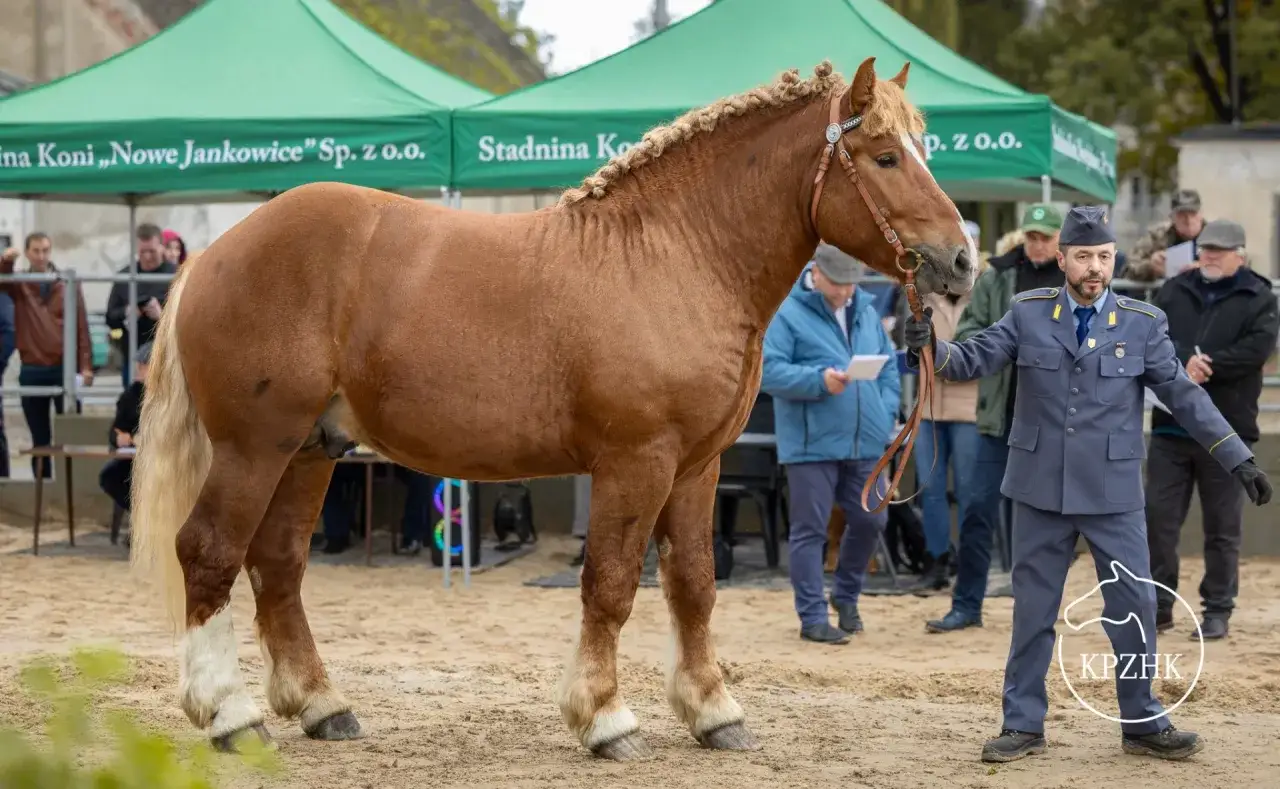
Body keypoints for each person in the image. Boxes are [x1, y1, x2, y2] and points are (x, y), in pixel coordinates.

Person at [902, 205, 1271, 764]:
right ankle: (1023, 722)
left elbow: (1184, 395)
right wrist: (927, 345)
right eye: (1083, 257)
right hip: (1039, 491)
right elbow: (971, 358)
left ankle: (1143, 720)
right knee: (1032, 612)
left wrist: (1235, 457)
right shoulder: (1026, 314)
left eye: (1102, 256)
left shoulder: (1143, 322)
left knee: (1135, 606)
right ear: (1063, 259)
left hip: (1113, 493)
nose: (1094, 267)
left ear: (1113, 259)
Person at [924, 204, 1065, 633]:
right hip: (997, 420)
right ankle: (967, 605)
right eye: (1031, 236)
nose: (1036, 244)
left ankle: (1038, 610)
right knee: (976, 513)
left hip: (1052, 426)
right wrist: (1008, 346)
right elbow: (968, 334)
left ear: (1061, 242)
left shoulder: (1072, 283)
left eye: (1045, 237)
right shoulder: (997, 276)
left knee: (1047, 522)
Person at [1145, 219, 1279, 641]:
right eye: (1205, 248)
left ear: (1240, 253)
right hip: (1170, 428)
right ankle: (1160, 605)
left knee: (1222, 528)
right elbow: (1153, 336)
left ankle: (1217, 609)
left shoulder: (1259, 295)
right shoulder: (1174, 289)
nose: (1210, 255)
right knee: (1158, 521)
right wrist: (1184, 360)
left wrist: (1209, 364)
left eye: (1220, 249)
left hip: (1229, 432)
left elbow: (1259, 348)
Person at [761, 244, 900, 645]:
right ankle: (812, 616)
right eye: (837, 283)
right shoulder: (786, 312)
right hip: (811, 443)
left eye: (851, 284)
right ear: (816, 273)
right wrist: (817, 381)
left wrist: (885, 408)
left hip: (866, 439)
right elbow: (767, 371)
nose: (845, 292)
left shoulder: (867, 310)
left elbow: (888, 366)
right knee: (810, 530)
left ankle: (846, 595)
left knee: (873, 519)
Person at [906, 278, 980, 595]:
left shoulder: (982, 297)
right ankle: (935, 561)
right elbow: (910, 350)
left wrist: (948, 362)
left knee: (968, 491)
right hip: (929, 408)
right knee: (930, 489)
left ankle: (968, 563)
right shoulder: (922, 297)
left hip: (970, 409)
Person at [0, 234, 95, 479]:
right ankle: (42, 493)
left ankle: (71, 491)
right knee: (39, 439)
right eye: (36, 251)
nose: (41, 256)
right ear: (28, 252)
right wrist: (6, 262)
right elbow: (2, 282)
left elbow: (81, 324)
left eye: (45, 250)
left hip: (63, 368)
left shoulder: (66, 282)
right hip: (32, 368)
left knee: (70, 436)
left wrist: (86, 365)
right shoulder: (20, 283)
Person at [106, 223, 179, 385]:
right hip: (132, 355)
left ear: (162, 247)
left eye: (152, 251)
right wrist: (128, 312)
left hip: (166, 356)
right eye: (142, 252)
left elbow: (187, 318)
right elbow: (110, 317)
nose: (147, 257)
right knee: (132, 406)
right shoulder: (125, 276)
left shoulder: (175, 274)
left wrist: (161, 316)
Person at [99, 342, 149, 513]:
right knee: (110, 476)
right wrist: (118, 438)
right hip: (133, 459)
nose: (140, 370)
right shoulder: (131, 395)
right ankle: (139, 516)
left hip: (160, 459)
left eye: (145, 366)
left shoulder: (170, 397)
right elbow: (116, 429)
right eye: (140, 366)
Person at [1126, 189, 1207, 283]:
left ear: (1201, 214)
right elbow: (1128, 268)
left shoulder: (1215, 237)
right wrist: (1151, 267)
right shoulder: (1157, 236)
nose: (1188, 220)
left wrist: (1203, 268)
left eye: (1193, 214)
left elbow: (1227, 268)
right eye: (1182, 215)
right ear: (1172, 217)